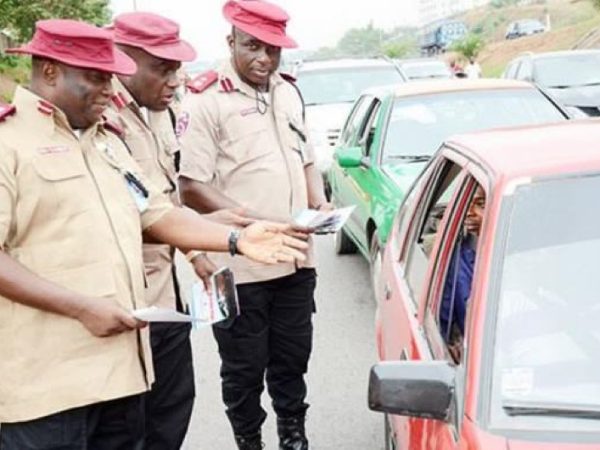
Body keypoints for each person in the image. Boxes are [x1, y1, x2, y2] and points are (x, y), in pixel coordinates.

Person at [0, 19, 307, 450]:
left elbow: (154, 211)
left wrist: (237, 240)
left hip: (120, 374)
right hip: (48, 389)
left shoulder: (104, 141)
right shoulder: (9, 144)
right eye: (96, 76)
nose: (110, 89)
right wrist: (82, 308)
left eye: (110, 75)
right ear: (49, 72)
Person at [177, 1, 330, 448]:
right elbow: (191, 187)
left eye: (273, 50)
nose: (264, 58)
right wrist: (256, 226)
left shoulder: (288, 91)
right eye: (253, 47)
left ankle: (293, 434)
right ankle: (249, 441)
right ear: (231, 43)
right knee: (243, 370)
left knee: (292, 359)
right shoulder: (205, 100)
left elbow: (306, 159)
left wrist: (318, 201)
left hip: (297, 261)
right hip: (239, 267)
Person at [107, 12, 251, 449]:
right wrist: (213, 231)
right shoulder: (99, 118)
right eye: (163, 68)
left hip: (166, 298)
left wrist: (197, 256)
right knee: (127, 428)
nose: (175, 80)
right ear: (123, 59)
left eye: (178, 68)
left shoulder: (159, 114)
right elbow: (119, 218)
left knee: (172, 412)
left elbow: (164, 200)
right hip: (122, 306)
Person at [439, 185, 485, 361]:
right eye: (466, 206)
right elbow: (444, 317)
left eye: (480, 204)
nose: (470, 213)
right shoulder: (456, 258)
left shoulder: (521, 258)